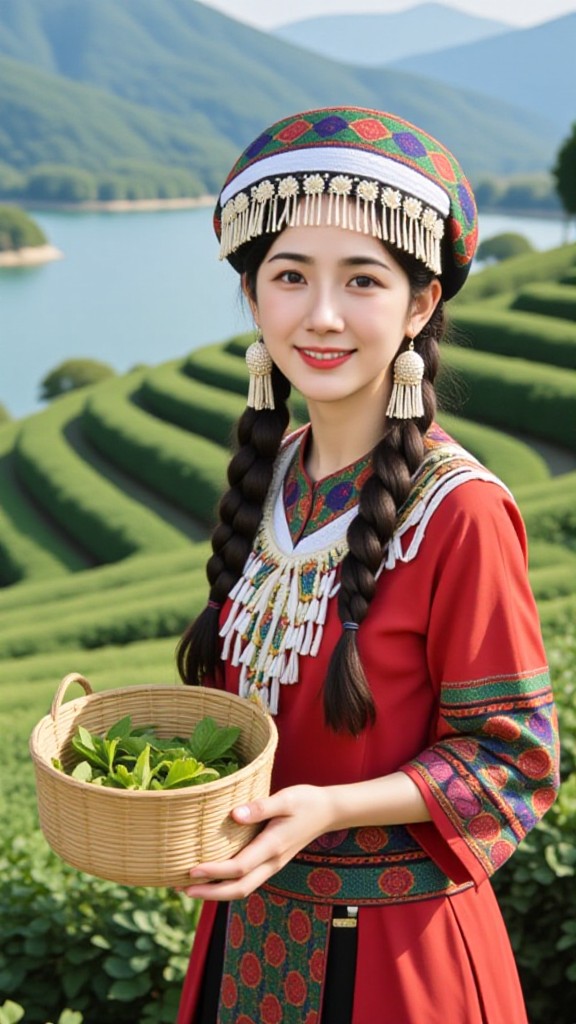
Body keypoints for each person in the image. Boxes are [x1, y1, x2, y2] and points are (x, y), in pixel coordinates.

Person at [175, 107, 559, 1024]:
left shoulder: (459, 510)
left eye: (363, 280)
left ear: (421, 303)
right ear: (254, 297)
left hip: (396, 959)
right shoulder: (267, 480)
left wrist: (333, 809)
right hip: (244, 939)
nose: (322, 315)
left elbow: (516, 761)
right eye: (290, 276)